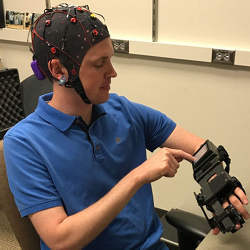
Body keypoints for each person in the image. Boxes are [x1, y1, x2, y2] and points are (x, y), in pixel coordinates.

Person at [3, 4, 249, 250]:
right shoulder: (23, 142)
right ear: (59, 70)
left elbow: (199, 149)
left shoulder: (123, 110)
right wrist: (138, 176)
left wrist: (219, 187)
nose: (113, 72)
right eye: (100, 64)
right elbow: (60, 239)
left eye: (110, 59)